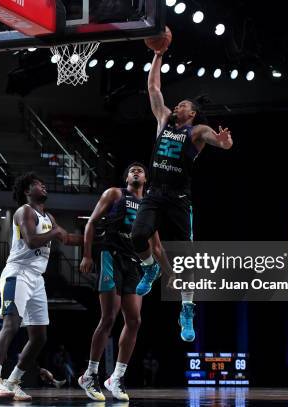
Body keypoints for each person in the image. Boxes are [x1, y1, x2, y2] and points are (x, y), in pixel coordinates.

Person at [130, 45, 233, 342]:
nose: (177, 107)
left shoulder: (197, 131)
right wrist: (158, 55)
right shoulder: (163, 119)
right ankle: (150, 270)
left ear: (194, 112)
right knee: (138, 236)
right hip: (154, 194)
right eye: (177, 105)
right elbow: (153, 87)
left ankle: (187, 308)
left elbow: (221, 144)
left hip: (177, 198)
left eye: (183, 105)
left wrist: (224, 142)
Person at [0, 173, 82, 401]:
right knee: (11, 324)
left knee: (39, 337)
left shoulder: (48, 216)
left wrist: (96, 237)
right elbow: (30, 241)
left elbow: (66, 238)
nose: (43, 185)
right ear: (28, 191)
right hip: (17, 272)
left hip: (37, 278)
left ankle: (13, 382)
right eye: (38, 184)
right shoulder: (24, 211)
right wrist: (55, 233)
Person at [77, 162, 167, 401]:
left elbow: (156, 246)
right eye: (131, 170)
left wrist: (170, 272)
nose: (136, 172)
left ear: (146, 179)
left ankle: (116, 377)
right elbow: (91, 223)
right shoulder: (115, 194)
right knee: (109, 317)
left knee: (135, 320)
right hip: (111, 256)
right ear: (127, 177)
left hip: (135, 264)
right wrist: (87, 254)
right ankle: (91, 374)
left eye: (140, 170)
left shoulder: (150, 207)